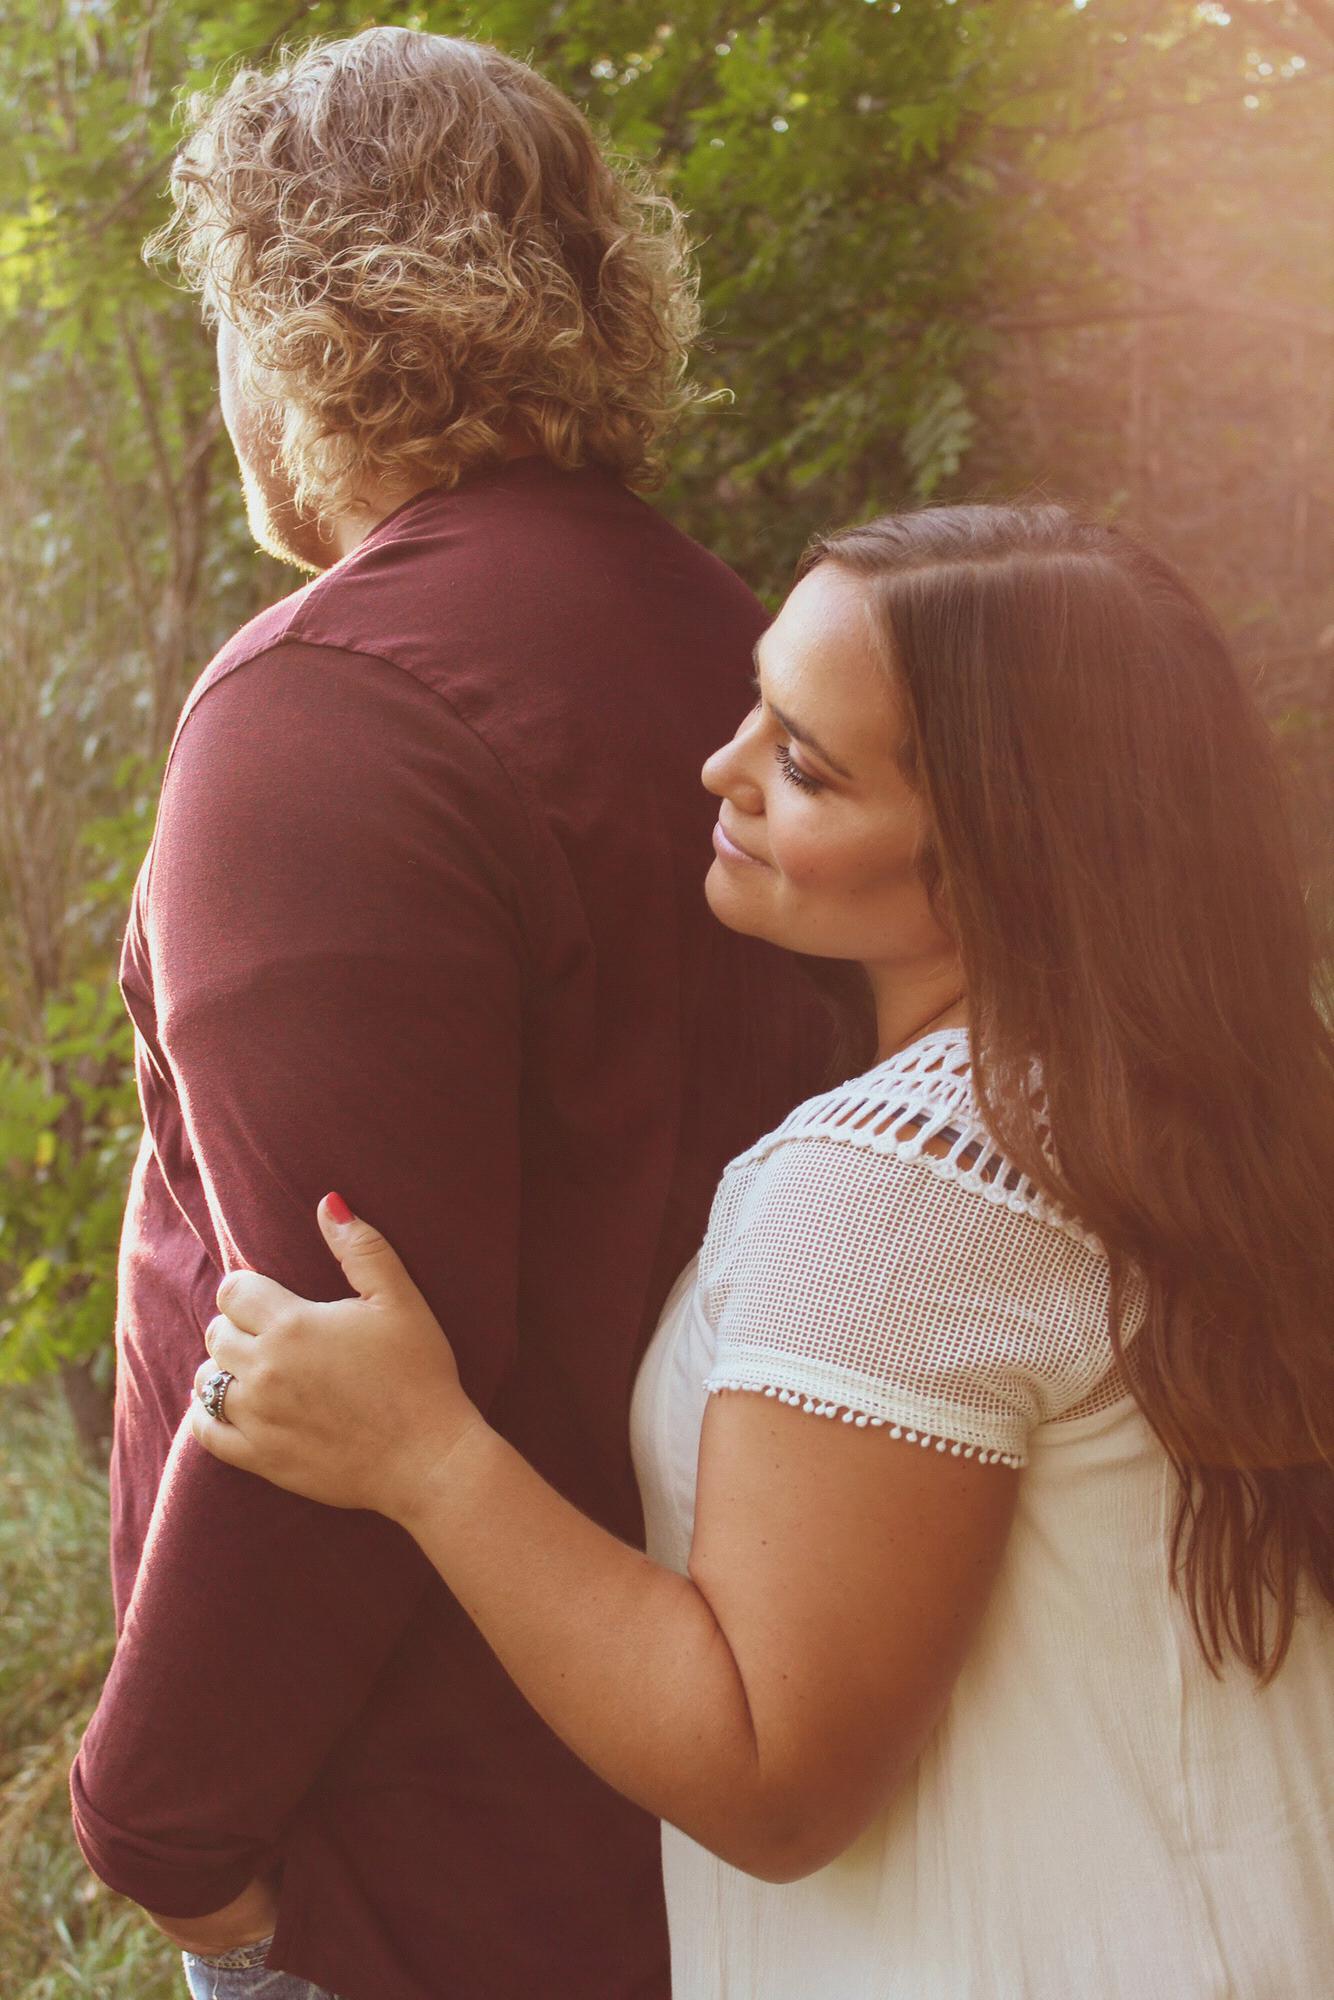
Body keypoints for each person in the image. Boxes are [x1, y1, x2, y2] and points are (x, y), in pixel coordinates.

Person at [192, 503, 1333, 2000]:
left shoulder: (911, 1185)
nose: (721, 769)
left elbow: (770, 1780)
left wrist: (425, 1458)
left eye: (804, 765)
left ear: (1004, 853)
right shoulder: (1227, 1096)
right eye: (756, 707)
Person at [69, 27, 827, 2000]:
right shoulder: (745, 646)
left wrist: (164, 1833)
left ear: (281, 331)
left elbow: (335, 1363)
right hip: (704, 1824)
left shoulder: (328, 713)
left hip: (424, 1873)